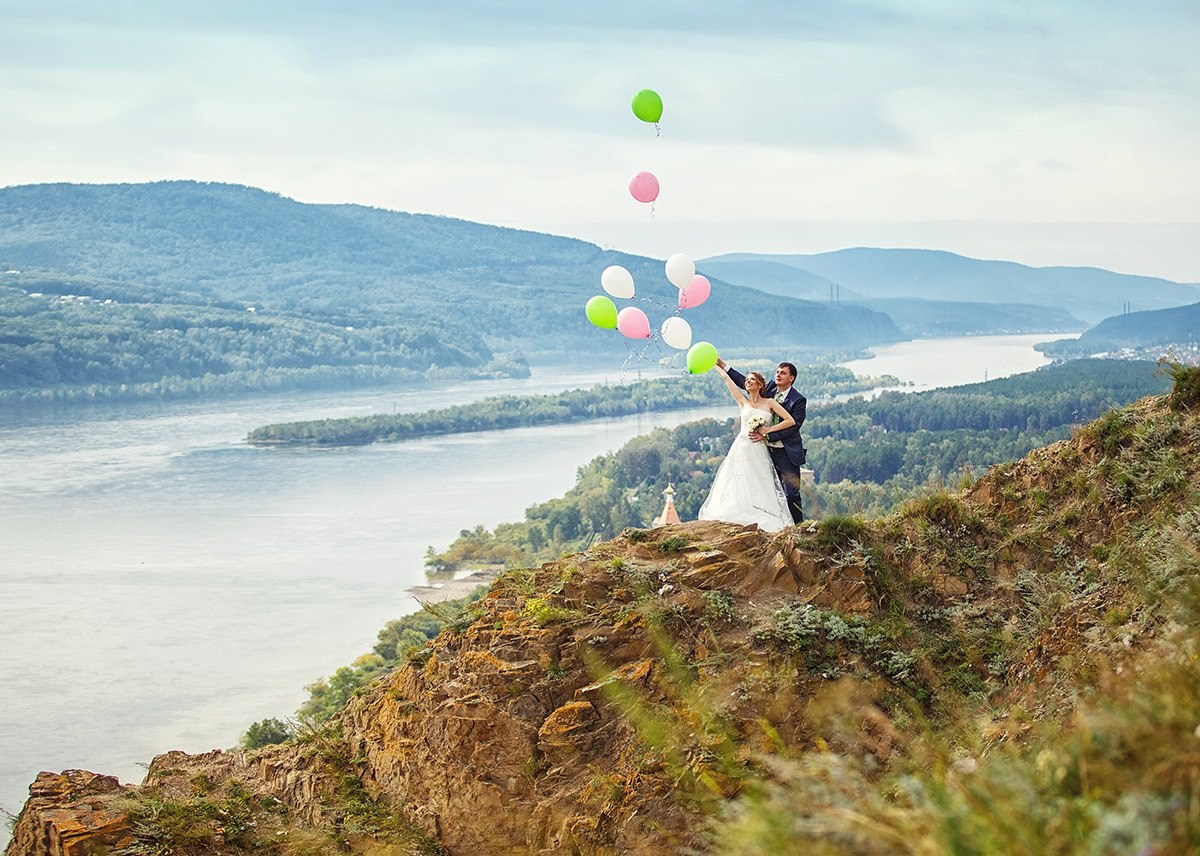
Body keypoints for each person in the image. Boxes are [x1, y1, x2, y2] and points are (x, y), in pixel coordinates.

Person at [697, 366, 797, 531]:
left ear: (759, 384)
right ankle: (738, 514)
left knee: (760, 481)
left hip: (759, 448)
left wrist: (767, 431)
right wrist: (713, 364)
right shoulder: (743, 401)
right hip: (741, 448)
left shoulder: (770, 402)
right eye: (747, 380)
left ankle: (764, 515)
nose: (748, 382)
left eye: (752, 379)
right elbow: (727, 380)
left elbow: (790, 420)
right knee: (737, 480)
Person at [717, 358, 807, 523]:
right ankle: (775, 522)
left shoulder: (798, 400)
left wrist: (766, 434)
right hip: (764, 451)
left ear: (791, 378)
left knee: (791, 493)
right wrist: (723, 366)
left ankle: (798, 527)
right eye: (778, 372)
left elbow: (793, 426)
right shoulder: (770, 388)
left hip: (786, 452)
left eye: (783, 373)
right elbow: (744, 382)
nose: (778, 375)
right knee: (767, 491)